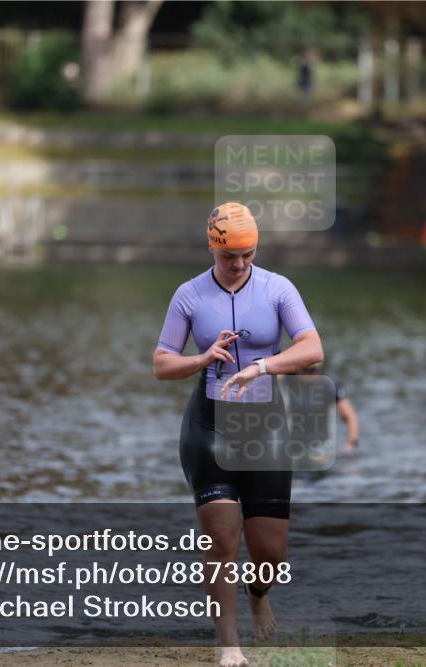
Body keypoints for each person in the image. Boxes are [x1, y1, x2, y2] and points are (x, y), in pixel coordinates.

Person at [153, 202, 323, 667]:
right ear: (213, 247)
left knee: (269, 553)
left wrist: (262, 367)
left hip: (264, 427)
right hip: (208, 427)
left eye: (249, 254)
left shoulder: (277, 289)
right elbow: (162, 363)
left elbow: (312, 349)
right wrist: (202, 359)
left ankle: (258, 592)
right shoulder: (189, 295)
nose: (240, 264)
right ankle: (229, 644)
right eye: (231, 256)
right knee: (221, 539)